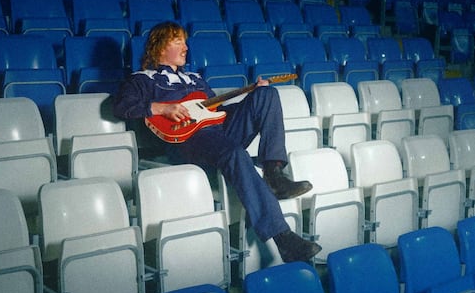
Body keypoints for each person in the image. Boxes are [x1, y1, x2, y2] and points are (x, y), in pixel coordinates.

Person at [112, 21, 322, 263]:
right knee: (235, 154)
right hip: (187, 140)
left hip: (216, 131)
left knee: (267, 94)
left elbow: (216, 111)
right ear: (159, 48)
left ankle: (274, 174)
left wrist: (252, 96)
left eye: (185, 41)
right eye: (177, 41)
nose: (185, 47)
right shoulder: (142, 79)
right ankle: (283, 238)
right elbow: (121, 106)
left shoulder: (195, 79)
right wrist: (161, 107)